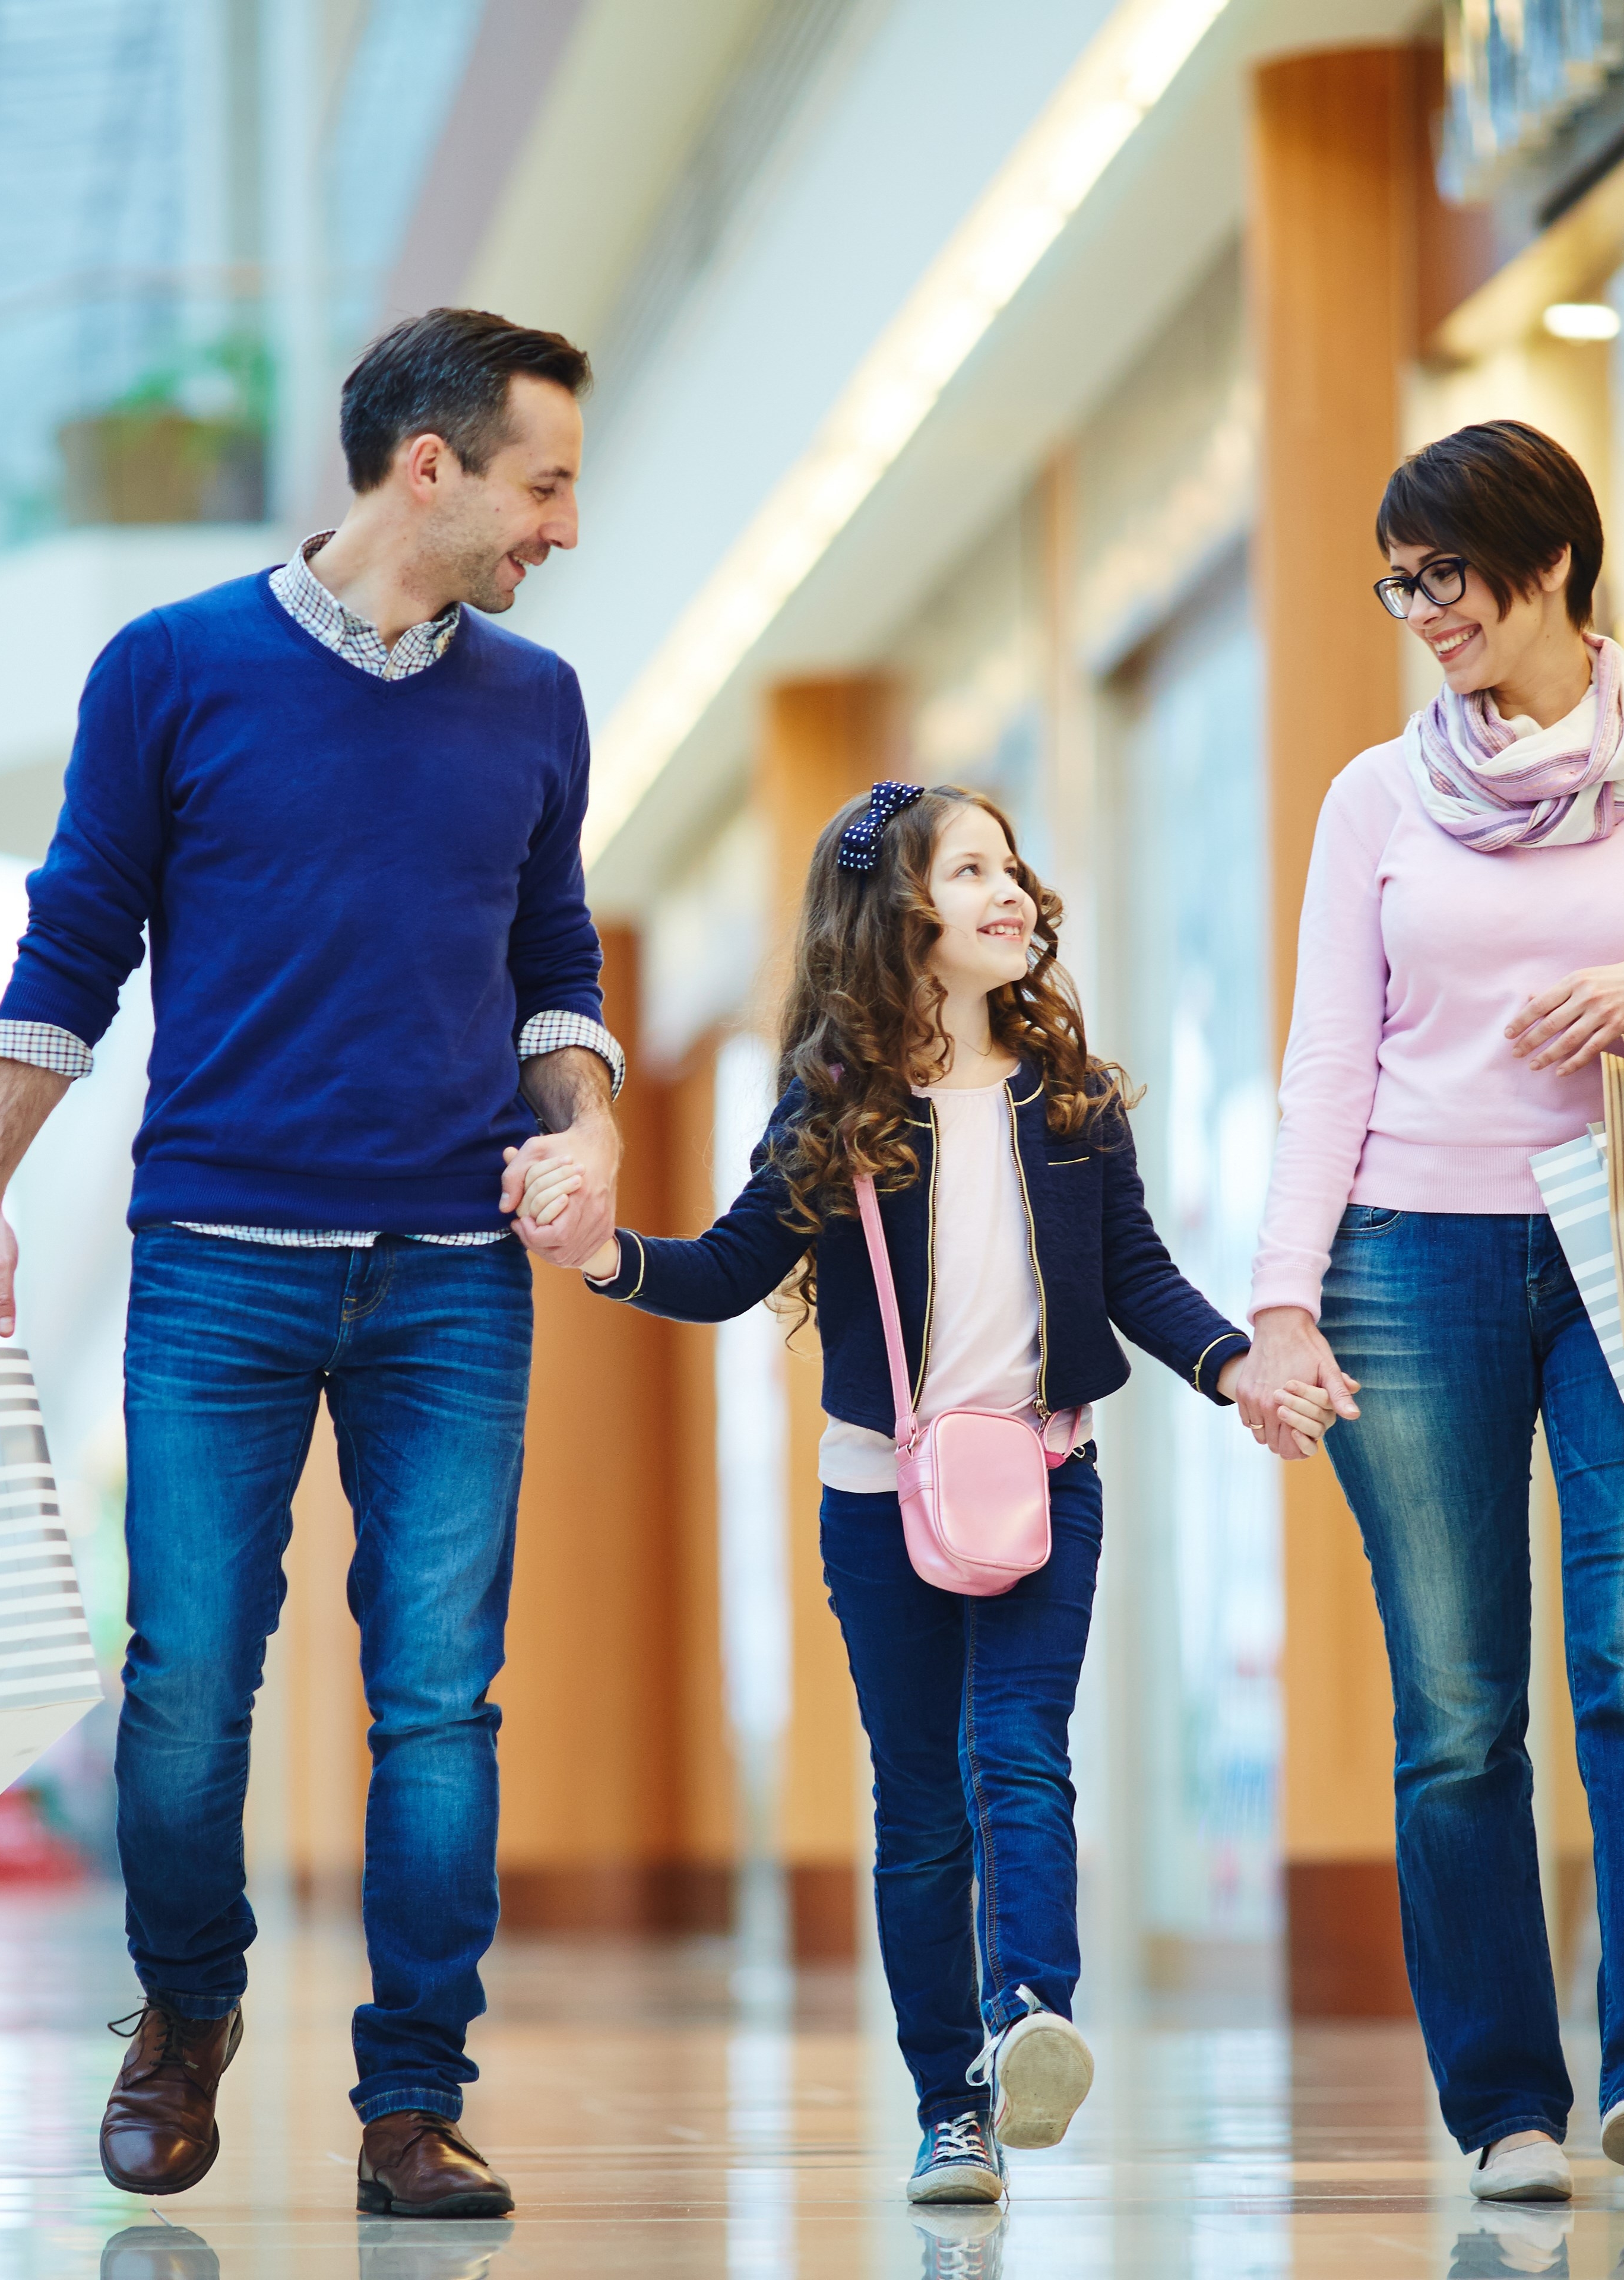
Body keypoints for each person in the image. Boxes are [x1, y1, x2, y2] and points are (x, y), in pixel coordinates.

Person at [0, 308, 629, 2224]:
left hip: (448, 1279)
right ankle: (183, 2014)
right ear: (433, 467)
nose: (564, 525)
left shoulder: (536, 704)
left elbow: (553, 961)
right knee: (185, 1684)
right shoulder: (170, 673)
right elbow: (71, 941)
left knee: (436, 1700)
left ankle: (413, 2100)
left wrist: (584, 1120)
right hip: (220, 1260)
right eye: (544, 483)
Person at [568, 781, 1333, 2207]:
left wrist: (1235, 1367)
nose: (1010, 892)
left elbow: (1140, 1279)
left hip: (1050, 1480)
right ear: (902, 917)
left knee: (1017, 1750)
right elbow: (732, 1269)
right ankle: (950, 2111)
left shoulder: (1074, 1100)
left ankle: (1031, 2013)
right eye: (970, 869)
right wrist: (610, 1256)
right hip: (882, 1505)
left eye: (1013, 867)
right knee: (920, 1806)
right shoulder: (837, 1105)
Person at [1234, 420, 1624, 2211]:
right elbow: (1328, 1063)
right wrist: (1283, 1300)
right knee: (1459, 1707)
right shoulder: (1377, 800)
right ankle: (1504, 2110)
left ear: (1547, 562)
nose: (1419, 614)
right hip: (1414, 1258)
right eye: (1396, 584)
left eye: (1440, 576)